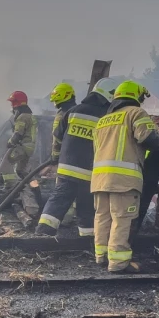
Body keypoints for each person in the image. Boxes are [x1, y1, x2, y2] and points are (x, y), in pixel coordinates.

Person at [91, 80, 159, 272]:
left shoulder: (103, 120)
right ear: (136, 96)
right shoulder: (135, 113)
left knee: (102, 217)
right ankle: (118, 263)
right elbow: (148, 138)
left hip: (99, 179)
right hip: (124, 180)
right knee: (122, 219)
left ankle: (101, 256)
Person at [36, 81, 104, 237]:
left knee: (59, 197)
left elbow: (57, 137)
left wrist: (56, 157)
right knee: (85, 203)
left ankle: (44, 231)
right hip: (89, 170)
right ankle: (86, 237)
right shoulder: (102, 116)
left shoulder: (70, 113)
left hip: (67, 166)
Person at [0, 91, 37, 185]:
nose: (12, 105)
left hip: (23, 147)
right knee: (21, 171)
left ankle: (10, 185)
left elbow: (18, 134)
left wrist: (10, 143)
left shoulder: (22, 117)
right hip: (30, 147)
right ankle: (34, 185)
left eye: (12, 103)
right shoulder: (30, 116)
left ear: (16, 103)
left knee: (5, 160)